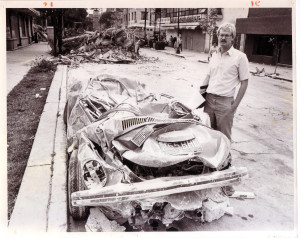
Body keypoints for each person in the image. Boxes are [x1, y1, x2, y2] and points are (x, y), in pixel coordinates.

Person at [200, 23, 249, 195]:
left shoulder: (240, 57)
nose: (223, 38)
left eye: (227, 35)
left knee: (225, 142)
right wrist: (200, 91)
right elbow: (209, 75)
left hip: (225, 103)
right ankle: (211, 176)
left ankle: (227, 183)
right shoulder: (213, 53)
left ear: (233, 38)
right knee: (208, 139)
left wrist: (234, 106)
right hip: (209, 101)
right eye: (221, 35)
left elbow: (245, 82)